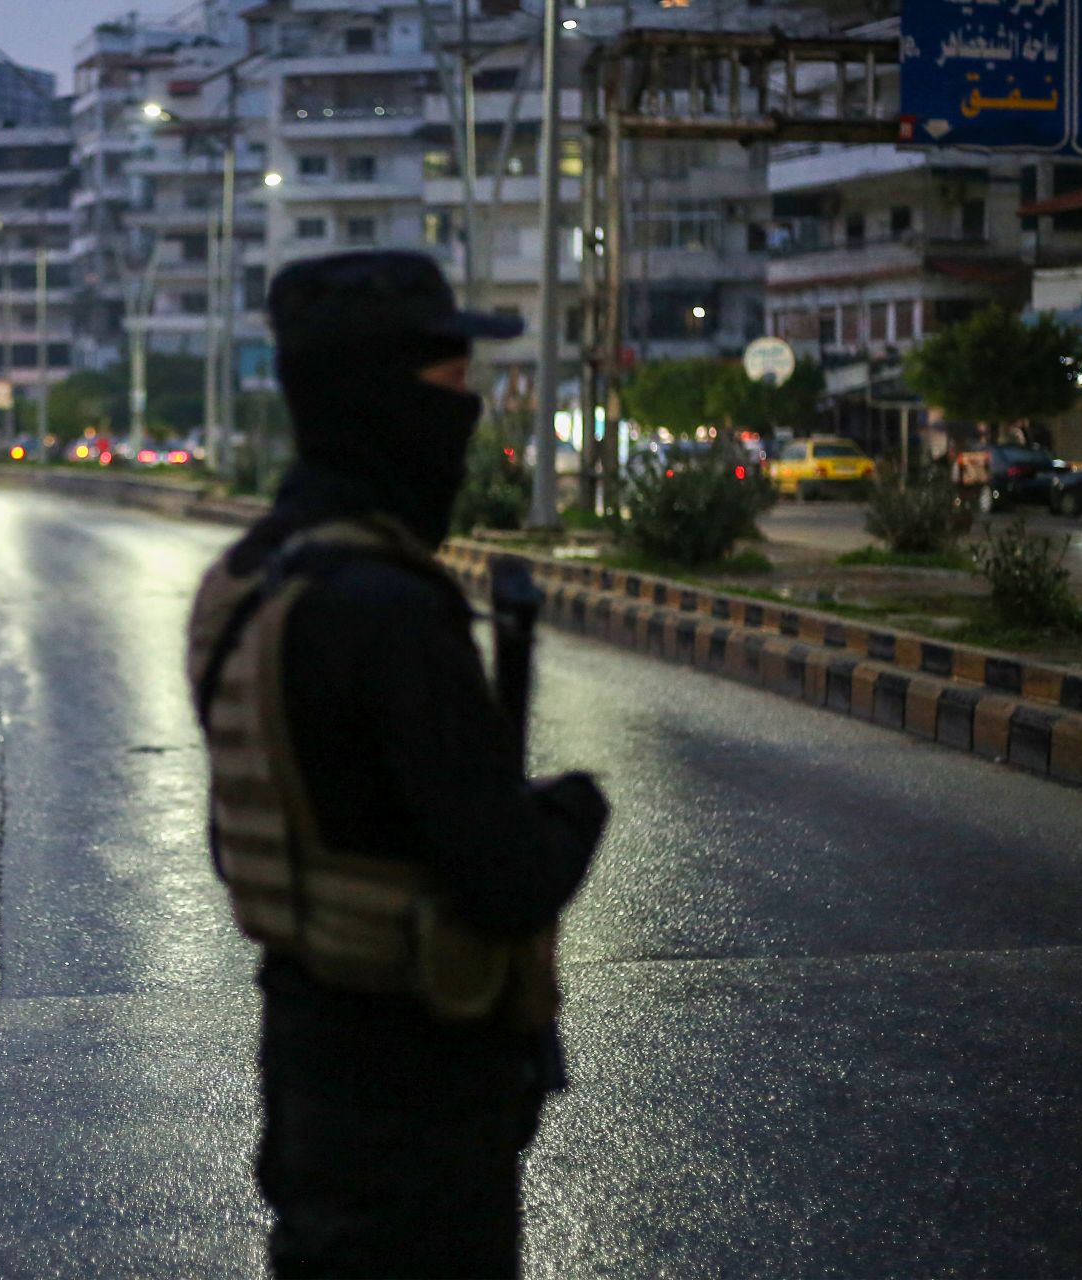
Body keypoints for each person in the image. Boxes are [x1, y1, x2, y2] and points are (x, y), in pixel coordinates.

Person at [186, 251, 610, 1279]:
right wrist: (577, 809)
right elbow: (505, 877)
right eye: (453, 390)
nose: (466, 420)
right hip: (418, 1090)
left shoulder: (246, 579)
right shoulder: (386, 609)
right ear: (378, 399)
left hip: (310, 1061)